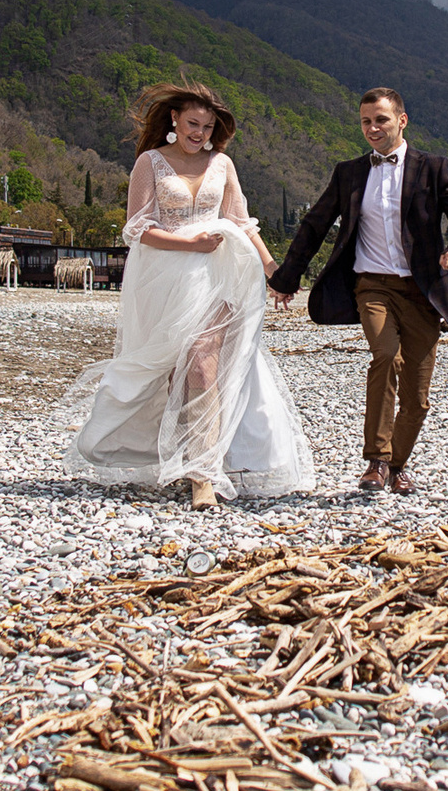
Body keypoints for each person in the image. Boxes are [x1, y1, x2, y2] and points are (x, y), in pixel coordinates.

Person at [63, 83, 314, 509]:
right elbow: (138, 229)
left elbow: (241, 223)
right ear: (174, 120)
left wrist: (275, 271)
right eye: (193, 123)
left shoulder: (223, 164)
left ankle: (203, 473)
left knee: (203, 365)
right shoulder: (150, 163)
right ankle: (178, 453)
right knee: (172, 372)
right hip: (164, 277)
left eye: (208, 126)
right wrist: (190, 245)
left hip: (219, 275)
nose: (200, 133)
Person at [268, 87, 448, 494]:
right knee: (385, 357)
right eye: (366, 121)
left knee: (417, 399)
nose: (372, 128)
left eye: (381, 119)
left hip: (422, 292)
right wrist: (285, 277)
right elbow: (315, 224)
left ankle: (398, 465)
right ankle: (376, 462)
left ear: (402, 120)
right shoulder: (348, 172)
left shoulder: (433, 168)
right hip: (372, 286)